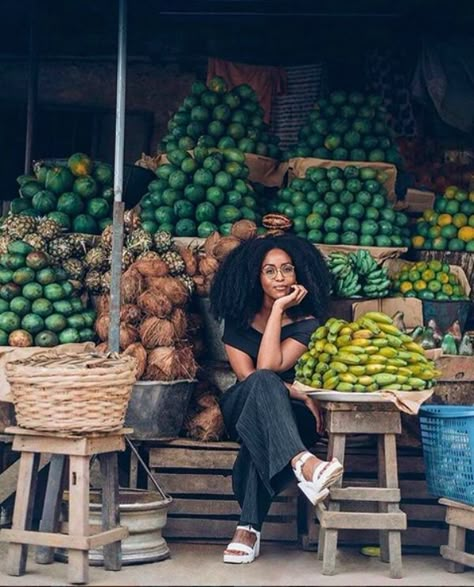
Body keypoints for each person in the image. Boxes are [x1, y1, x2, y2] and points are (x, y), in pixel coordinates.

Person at [209, 233, 344, 565]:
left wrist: (281, 311)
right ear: (255, 277)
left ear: (300, 274)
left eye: (287, 269)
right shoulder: (238, 322)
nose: (280, 278)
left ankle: (248, 530)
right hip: (242, 406)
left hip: (290, 418)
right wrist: (295, 389)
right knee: (265, 384)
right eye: (270, 271)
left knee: (259, 443)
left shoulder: (307, 324)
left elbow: (269, 367)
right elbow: (254, 377)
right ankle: (303, 462)